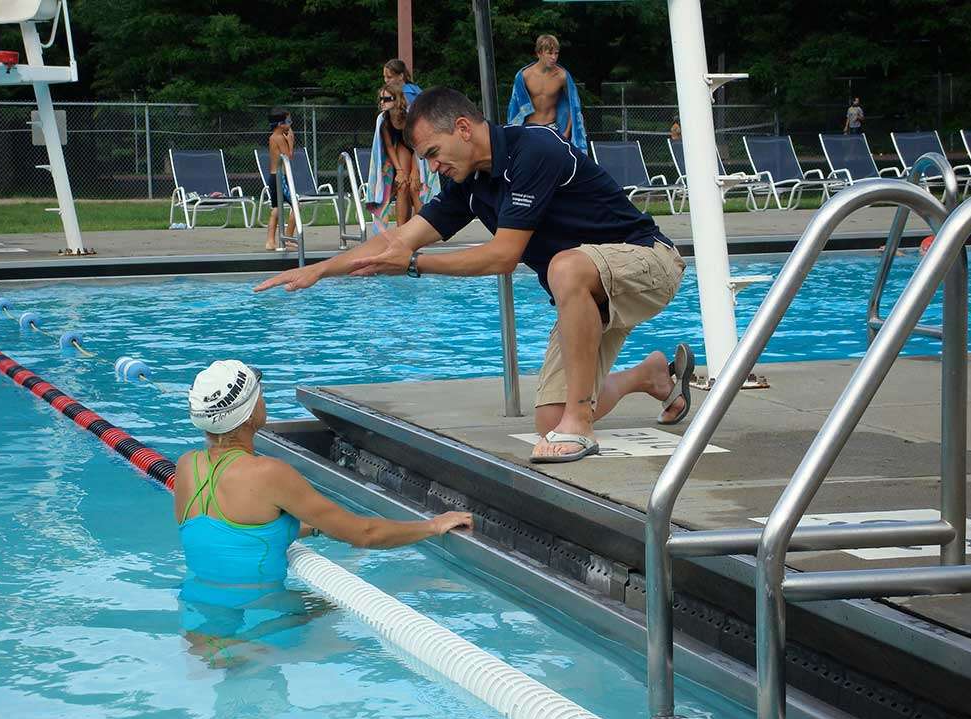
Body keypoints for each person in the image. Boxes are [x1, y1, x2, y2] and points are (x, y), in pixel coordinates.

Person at [255, 88, 694, 464]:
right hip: (586, 292)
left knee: (565, 265)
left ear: (463, 129)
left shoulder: (534, 150)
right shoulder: (468, 184)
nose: (432, 166)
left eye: (432, 153)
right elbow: (399, 240)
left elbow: (502, 256)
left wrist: (413, 266)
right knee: (548, 421)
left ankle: (581, 424)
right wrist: (319, 270)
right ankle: (649, 376)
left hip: (648, 262)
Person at [173, 359, 473, 647]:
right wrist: (433, 525)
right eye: (259, 395)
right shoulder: (269, 473)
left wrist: (314, 528)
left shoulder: (187, 467)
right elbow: (365, 534)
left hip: (198, 618)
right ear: (249, 415)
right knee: (354, 623)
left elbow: (233, 535)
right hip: (265, 622)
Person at [507, 34, 587, 154]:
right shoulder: (525, 76)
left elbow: (574, 105)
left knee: (554, 168)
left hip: (552, 128)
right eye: (550, 53)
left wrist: (566, 132)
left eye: (556, 53)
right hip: (530, 128)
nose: (554, 57)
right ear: (539, 53)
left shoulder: (562, 76)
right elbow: (515, 108)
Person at [369, 83, 421, 228]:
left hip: (418, 149)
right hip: (403, 146)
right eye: (381, 99)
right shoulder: (384, 120)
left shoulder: (409, 116)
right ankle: (401, 229)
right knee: (402, 185)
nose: (382, 103)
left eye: (386, 99)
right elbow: (390, 147)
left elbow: (417, 144)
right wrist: (399, 171)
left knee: (415, 187)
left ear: (397, 99)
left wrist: (415, 171)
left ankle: (420, 229)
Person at [265, 108, 296, 251]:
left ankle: (270, 242)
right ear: (280, 124)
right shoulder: (280, 138)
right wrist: (291, 141)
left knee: (276, 209)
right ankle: (288, 239)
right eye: (288, 121)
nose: (291, 123)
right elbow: (288, 157)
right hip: (280, 177)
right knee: (296, 207)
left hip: (273, 177)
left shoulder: (272, 137)